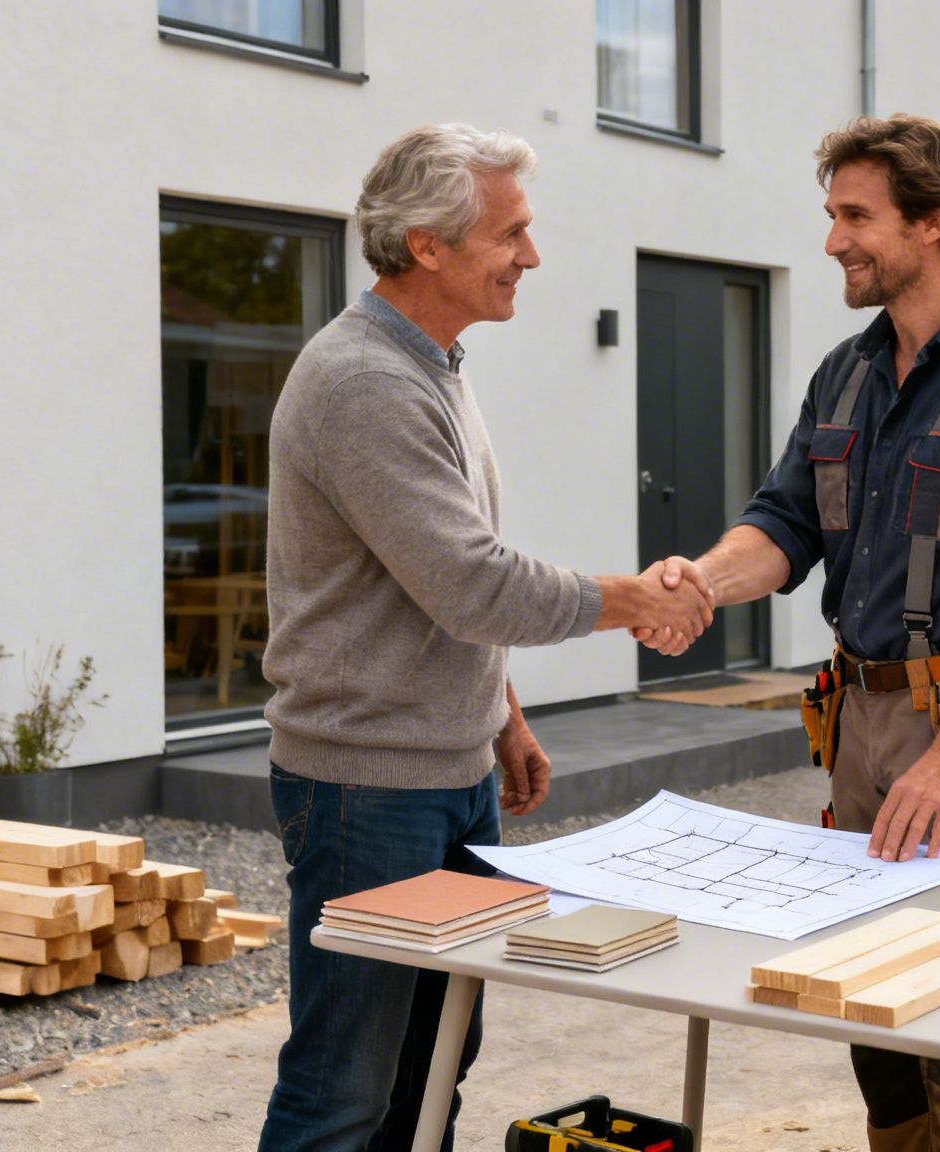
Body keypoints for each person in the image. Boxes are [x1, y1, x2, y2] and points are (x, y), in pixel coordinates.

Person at [644, 114, 940, 1152]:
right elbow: (784, 524)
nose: (833, 241)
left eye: (855, 217)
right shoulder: (844, 375)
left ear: (932, 221)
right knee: (873, 1009)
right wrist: (701, 583)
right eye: (831, 214)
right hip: (858, 726)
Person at [256, 123, 712, 1152]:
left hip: (443, 775)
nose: (532, 257)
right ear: (426, 244)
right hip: (366, 787)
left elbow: (433, 572)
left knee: (431, 1067)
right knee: (346, 1085)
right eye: (511, 234)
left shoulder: (433, 367)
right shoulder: (364, 383)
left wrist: (499, 715)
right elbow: (469, 584)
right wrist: (636, 601)